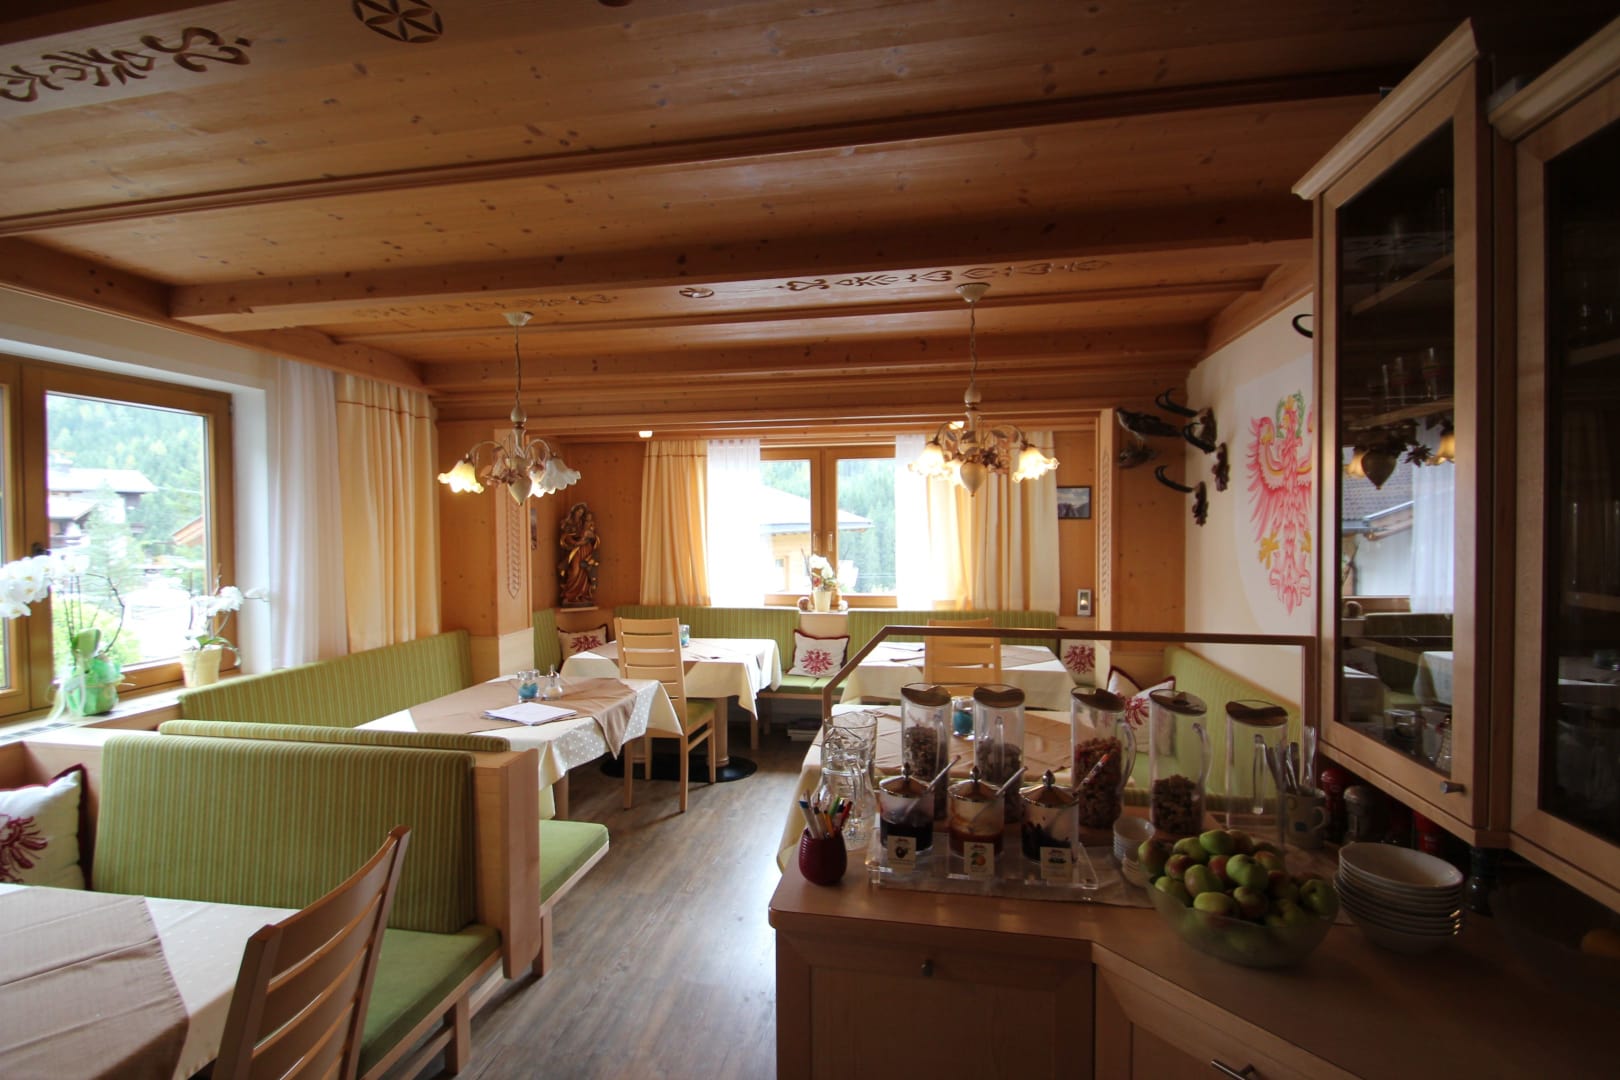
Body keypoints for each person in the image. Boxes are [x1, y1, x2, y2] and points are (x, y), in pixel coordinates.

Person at [558, 502, 599, 607]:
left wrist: (590, 537)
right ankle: (569, 595)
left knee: (584, 572)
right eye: (578, 511)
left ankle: (582, 595)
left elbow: (593, 537)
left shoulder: (584, 524)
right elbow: (565, 537)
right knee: (574, 571)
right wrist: (576, 543)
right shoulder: (568, 523)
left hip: (585, 549)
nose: (579, 514)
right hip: (575, 550)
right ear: (574, 511)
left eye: (581, 512)